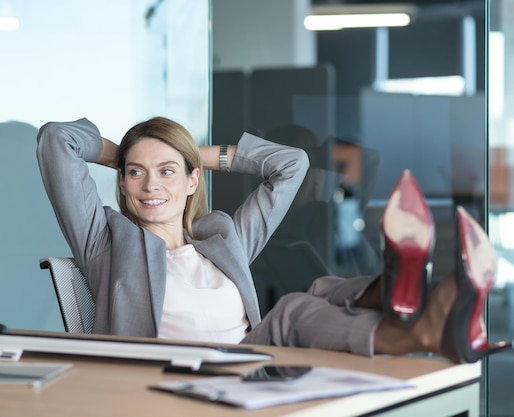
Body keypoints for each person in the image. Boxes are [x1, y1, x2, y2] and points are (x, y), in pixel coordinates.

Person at [37, 116, 510, 365]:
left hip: (248, 369)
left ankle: (400, 298)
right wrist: (124, 153)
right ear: (122, 184)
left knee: (321, 291)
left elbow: (291, 165)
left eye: (166, 173)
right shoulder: (105, 243)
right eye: (135, 175)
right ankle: (411, 309)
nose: (149, 185)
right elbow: (56, 140)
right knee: (295, 311)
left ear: (192, 182)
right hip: (167, 379)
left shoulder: (222, 238)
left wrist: (185, 152)